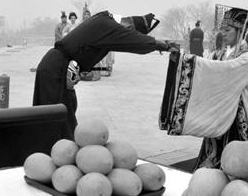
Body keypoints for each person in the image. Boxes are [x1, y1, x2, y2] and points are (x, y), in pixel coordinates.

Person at [33, 10, 176, 139]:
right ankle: (54, 155)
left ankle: (58, 152)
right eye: (130, 31)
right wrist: (160, 44)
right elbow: (134, 41)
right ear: (128, 26)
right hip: (55, 69)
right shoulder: (106, 24)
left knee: (65, 111)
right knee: (58, 117)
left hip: (57, 68)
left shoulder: (105, 21)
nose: (126, 34)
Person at [160, 6, 248, 170]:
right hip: (218, 112)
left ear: (240, 30)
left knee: (242, 161)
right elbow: (206, 70)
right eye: (222, 30)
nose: (223, 34)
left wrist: (187, 61)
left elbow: (225, 70)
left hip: (238, 113)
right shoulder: (217, 54)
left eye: (227, 30)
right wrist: (180, 58)